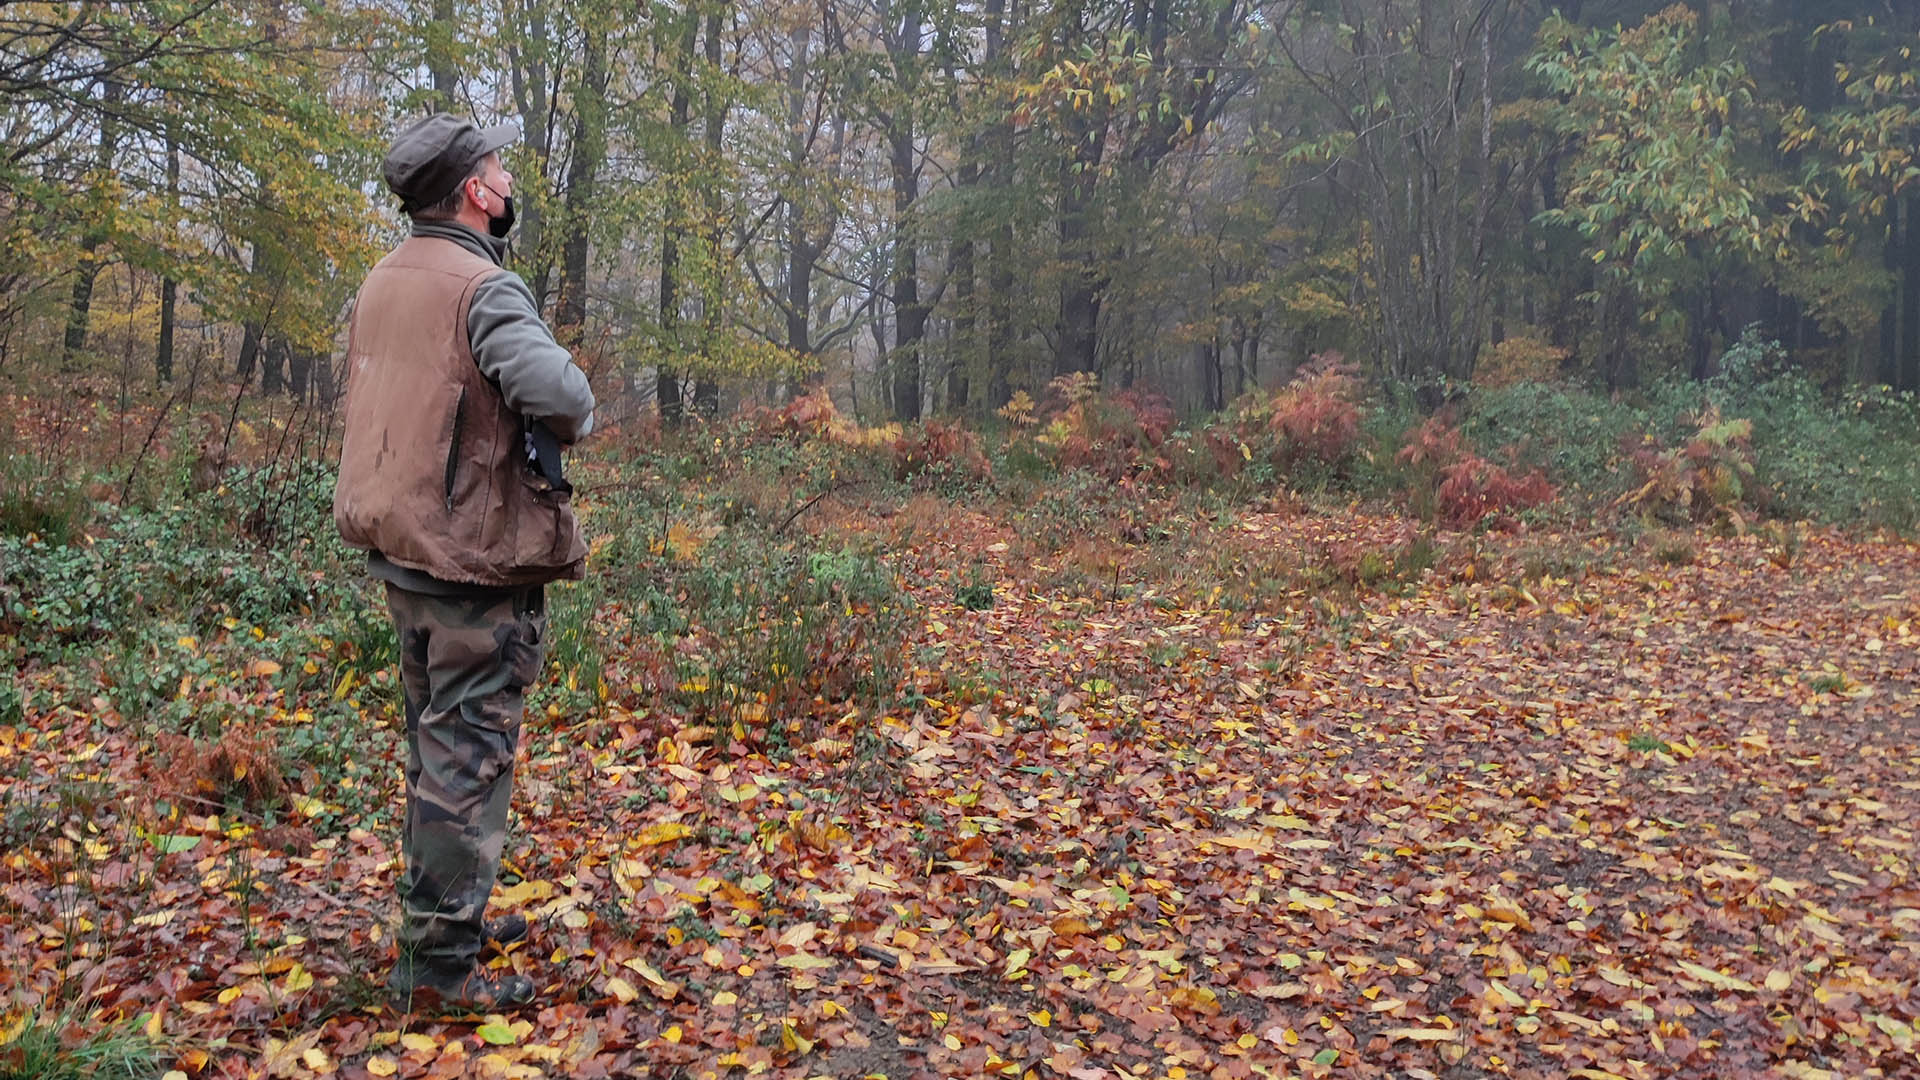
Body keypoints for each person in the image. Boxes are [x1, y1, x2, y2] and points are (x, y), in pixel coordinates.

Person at [333, 112, 596, 1013]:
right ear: (474, 192)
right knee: (466, 759)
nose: (509, 179)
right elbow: (564, 396)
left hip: (404, 554)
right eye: (498, 168)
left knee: (432, 749)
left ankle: (446, 921)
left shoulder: (384, 277)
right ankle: (438, 975)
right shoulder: (483, 289)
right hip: (472, 566)